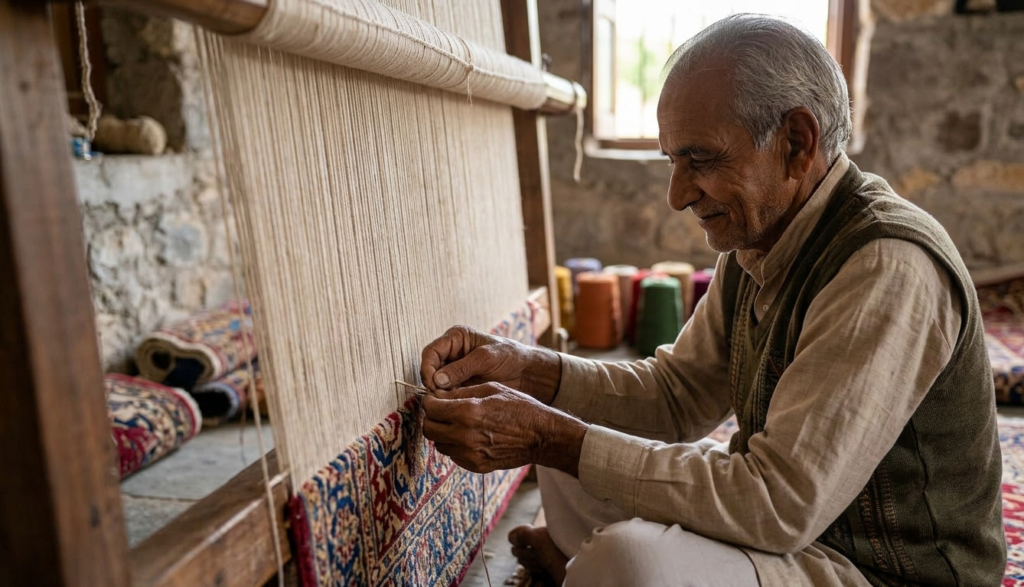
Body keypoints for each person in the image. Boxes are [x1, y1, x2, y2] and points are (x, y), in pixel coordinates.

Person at [419, 14, 1005, 587]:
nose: (677, 196)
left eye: (700, 159)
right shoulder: (759, 239)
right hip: (790, 535)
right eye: (673, 161)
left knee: (627, 560)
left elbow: (778, 504)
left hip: (877, 570)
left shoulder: (884, 265)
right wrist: (528, 371)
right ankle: (578, 565)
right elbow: (676, 397)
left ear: (796, 143)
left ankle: (582, 566)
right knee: (571, 429)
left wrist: (552, 437)